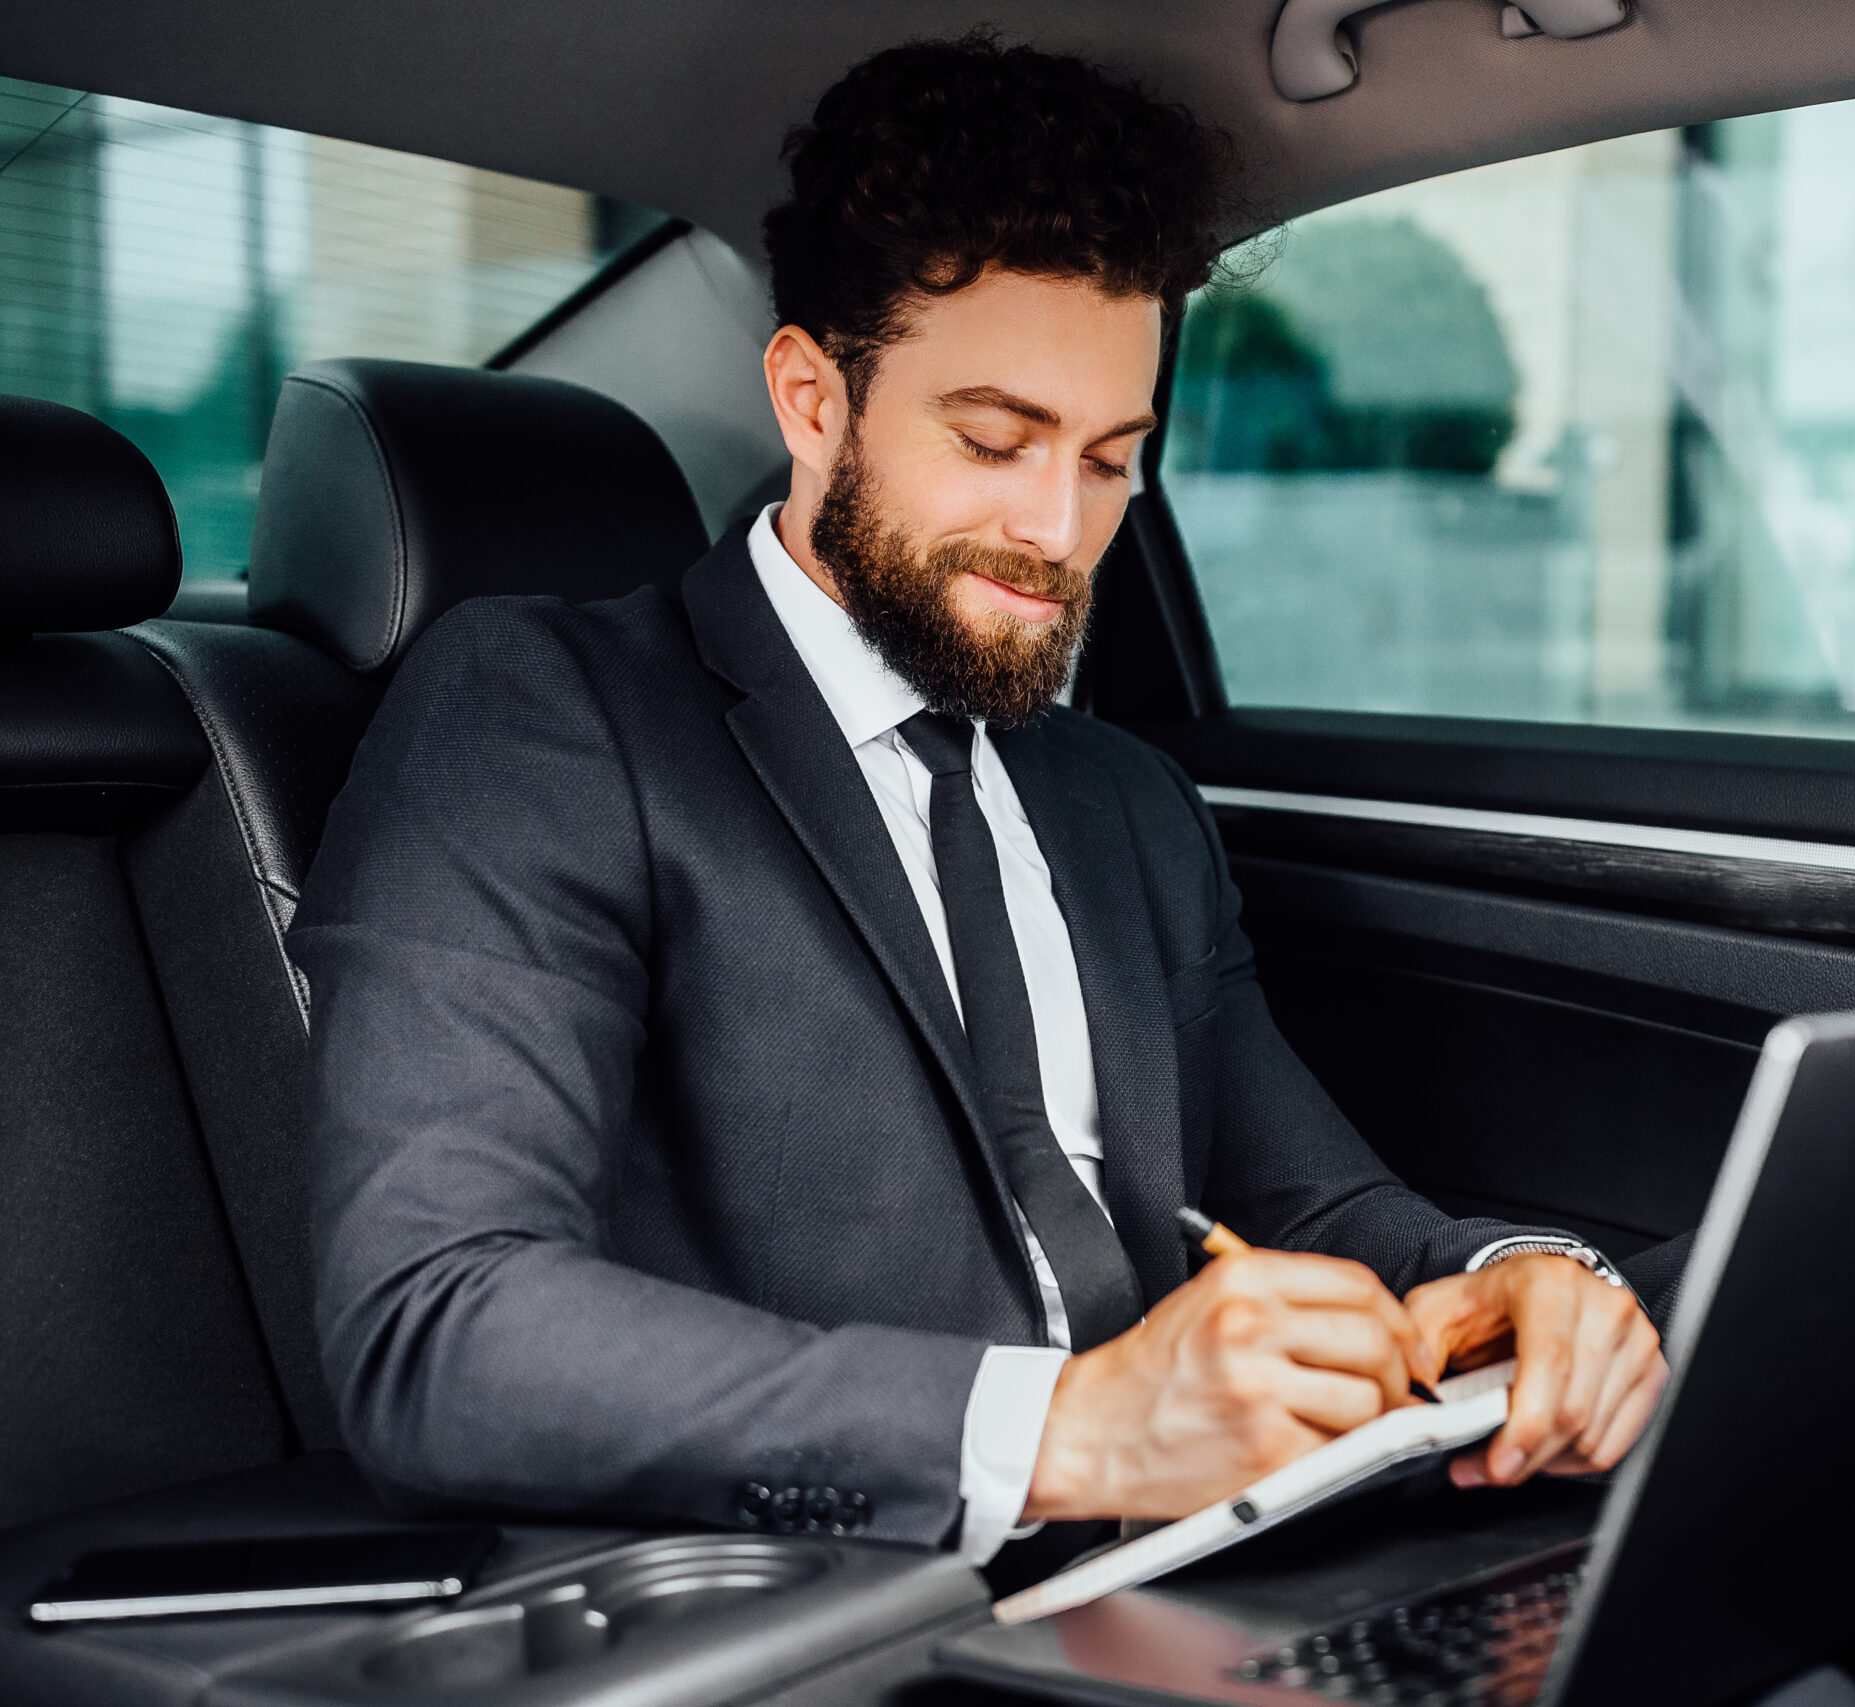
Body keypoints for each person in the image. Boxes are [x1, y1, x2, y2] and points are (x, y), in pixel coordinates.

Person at [295, 35, 1665, 1587]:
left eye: (1111, 460)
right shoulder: (546, 716)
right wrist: (1072, 1429)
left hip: (1202, 1580)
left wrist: (1526, 1280)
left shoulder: (1124, 800)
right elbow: (439, 1326)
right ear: (814, 400)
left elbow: (1318, 1199)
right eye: (995, 441)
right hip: (841, 1618)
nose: (1056, 529)